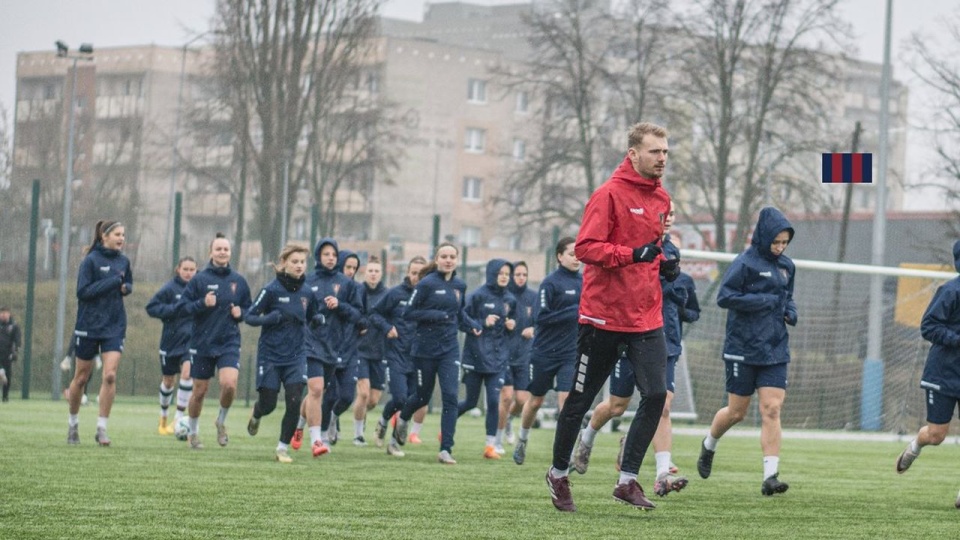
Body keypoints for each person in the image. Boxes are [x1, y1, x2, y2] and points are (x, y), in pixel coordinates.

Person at [545, 122, 674, 512]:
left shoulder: (663, 199)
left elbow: (653, 251)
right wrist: (631, 254)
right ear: (633, 154)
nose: (662, 158)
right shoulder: (608, 194)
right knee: (579, 402)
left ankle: (627, 481)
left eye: (666, 151)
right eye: (655, 151)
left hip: (646, 318)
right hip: (602, 318)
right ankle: (557, 473)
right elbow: (585, 248)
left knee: (655, 395)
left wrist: (664, 262)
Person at [571, 203, 700, 499]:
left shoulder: (672, 251)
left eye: (671, 217)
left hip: (660, 339)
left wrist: (679, 296)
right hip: (628, 333)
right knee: (617, 405)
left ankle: (662, 472)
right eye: (662, 216)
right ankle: (587, 437)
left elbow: (682, 299)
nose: (666, 221)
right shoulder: (633, 246)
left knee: (661, 403)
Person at [697, 206, 797, 497]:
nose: (779, 248)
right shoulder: (745, 263)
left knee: (772, 408)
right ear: (764, 237)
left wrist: (791, 311)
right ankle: (709, 444)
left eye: (784, 243)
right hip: (742, 347)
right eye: (776, 242)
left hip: (775, 348)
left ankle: (770, 476)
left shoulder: (787, 266)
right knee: (737, 412)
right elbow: (725, 297)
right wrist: (761, 300)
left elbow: (787, 298)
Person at [390, 242, 481, 464]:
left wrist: (473, 326)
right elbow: (409, 313)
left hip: (449, 350)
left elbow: (458, 314)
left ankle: (445, 449)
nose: (448, 260)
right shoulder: (427, 284)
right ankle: (402, 420)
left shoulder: (459, 285)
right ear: (437, 259)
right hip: (425, 350)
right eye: (444, 256)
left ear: (457, 260)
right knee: (422, 396)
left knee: (451, 397)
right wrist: (436, 315)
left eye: (452, 256)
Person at [896, 239, 960, 509]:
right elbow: (928, 326)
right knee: (937, 435)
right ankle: (915, 446)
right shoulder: (950, 291)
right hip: (944, 373)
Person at [245, 244, 322, 463]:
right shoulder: (271, 290)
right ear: (284, 263)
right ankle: (257, 413)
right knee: (269, 403)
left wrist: (318, 320)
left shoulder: (308, 292)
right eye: (294, 261)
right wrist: (269, 319)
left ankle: (282, 447)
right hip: (270, 355)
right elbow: (249, 316)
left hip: (296, 356)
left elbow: (315, 316)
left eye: (302, 262)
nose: (299, 266)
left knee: (294, 401)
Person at [178, 233, 252, 450]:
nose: (222, 252)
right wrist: (202, 303)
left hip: (228, 341)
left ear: (230, 253)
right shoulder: (199, 280)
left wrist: (241, 313)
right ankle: (192, 432)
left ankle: (221, 421)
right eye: (218, 249)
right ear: (210, 252)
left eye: (226, 249)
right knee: (199, 391)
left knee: (229, 384)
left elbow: (249, 309)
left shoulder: (238, 281)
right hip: (202, 343)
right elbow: (183, 308)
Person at [513, 238, 581, 466]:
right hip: (543, 352)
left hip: (570, 353)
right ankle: (522, 439)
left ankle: (565, 454)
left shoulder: (586, 282)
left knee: (567, 401)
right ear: (559, 256)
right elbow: (540, 317)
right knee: (535, 402)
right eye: (572, 253)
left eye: (579, 253)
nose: (577, 257)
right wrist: (573, 311)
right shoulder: (550, 283)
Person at [66, 220, 133, 446]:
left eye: (123, 235)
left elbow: (127, 283)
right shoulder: (91, 261)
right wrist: (112, 283)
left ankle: (101, 429)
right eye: (117, 234)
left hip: (114, 326)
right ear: (104, 236)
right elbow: (82, 292)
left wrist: (126, 288)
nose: (121, 238)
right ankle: (73, 424)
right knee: (81, 377)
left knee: (110, 374)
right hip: (89, 325)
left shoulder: (124, 261)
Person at [292, 238, 359, 457]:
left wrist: (341, 307)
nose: (330, 257)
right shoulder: (307, 280)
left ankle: (299, 425)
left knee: (315, 393)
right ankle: (317, 441)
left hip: (334, 346)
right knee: (317, 389)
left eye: (333, 254)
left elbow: (359, 316)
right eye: (326, 254)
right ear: (319, 256)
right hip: (310, 343)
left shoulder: (347, 284)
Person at [456, 259, 516, 459]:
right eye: (500, 273)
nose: (504, 276)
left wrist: (511, 326)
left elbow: (511, 325)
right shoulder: (478, 295)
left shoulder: (510, 299)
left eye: (507, 273)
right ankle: (447, 425)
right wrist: (483, 322)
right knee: (471, 402)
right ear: (492, 274)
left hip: (498, 359)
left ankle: (490, 446)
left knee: (493, 401)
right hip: (475, 356)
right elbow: (461, 320)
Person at [369, 256, 428, 456]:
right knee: (400, 397)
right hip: (396, 354)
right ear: (407, 273)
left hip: (419, 357)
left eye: (422, 274)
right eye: (414, 273)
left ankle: (393, 443)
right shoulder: (395, 294)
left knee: (414, 400)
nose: (417, 277)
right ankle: (384, 421)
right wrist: (387, 328)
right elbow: (375, 314)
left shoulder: (429, 297)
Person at [145, 257, 197, 435]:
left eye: (192, 270)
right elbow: (151, 307)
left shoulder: (198, 289)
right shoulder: (169, 289)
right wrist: (172, 311)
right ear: (178, 270)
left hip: (190, 341)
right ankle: (163, 418)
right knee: (168, 381)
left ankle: (178, 419)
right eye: (186, 269)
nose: (189, 273)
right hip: (170, 341)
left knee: (187, 372)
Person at [321, 249, 364, 445]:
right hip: (329, 348)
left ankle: (332, 418)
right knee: (329, 396)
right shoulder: (325, 287)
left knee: (347, 396)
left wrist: (364, 325)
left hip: (350, 349)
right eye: (348, 267)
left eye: (354, 268)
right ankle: (317, 432)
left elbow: (362, 315)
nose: (351, 271)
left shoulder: (357, 290)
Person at [497, 261, 537, 451]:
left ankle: (510, 420)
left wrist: (533, 329)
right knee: (505, 397)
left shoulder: (533, 297)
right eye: (518, 274)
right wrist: (504, 323)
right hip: (504, 354)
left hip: (524, 355)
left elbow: (542, 321)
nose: (521, 278)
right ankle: (497, 438)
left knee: (522, 400)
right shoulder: (504, 297)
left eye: (524, 274)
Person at [352, 255, 389, 446]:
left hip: (380, 352)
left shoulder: (388, 294)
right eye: (370, 271)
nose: (373, 274)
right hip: (360, 351)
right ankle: (358, 434)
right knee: (363, 394)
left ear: (381, 274)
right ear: (364, 273)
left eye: (376, 271)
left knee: (373, 400)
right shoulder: (357, 292)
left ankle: (361, 413)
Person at [0, 306, 21, 402]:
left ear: (9, 314)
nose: (3, 315)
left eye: (5, 313)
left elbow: (17, 340)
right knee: (2, 374)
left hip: (7, 353)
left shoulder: (14, 326)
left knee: (7, 377)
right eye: (1, 313)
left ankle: (5, 397)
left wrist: (15, 351)